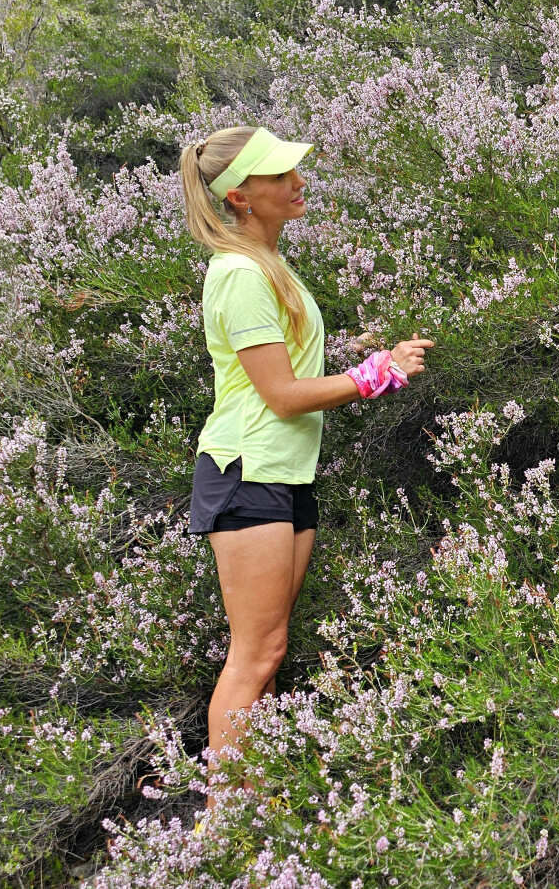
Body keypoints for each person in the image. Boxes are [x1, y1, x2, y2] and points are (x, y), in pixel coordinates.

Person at [178, 125, 433, 814]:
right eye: (278, 174)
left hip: (282, 471)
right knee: (254, 654)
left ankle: (248, 801)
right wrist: (374, 374)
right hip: (246, 470)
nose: (296, 181)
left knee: (272, 644)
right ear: (240, 197)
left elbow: (285, 372)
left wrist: (363, 361)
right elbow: (282, 394)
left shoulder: (268, 265)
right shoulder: (237, 273)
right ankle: (222, 818)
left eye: (294, 168)